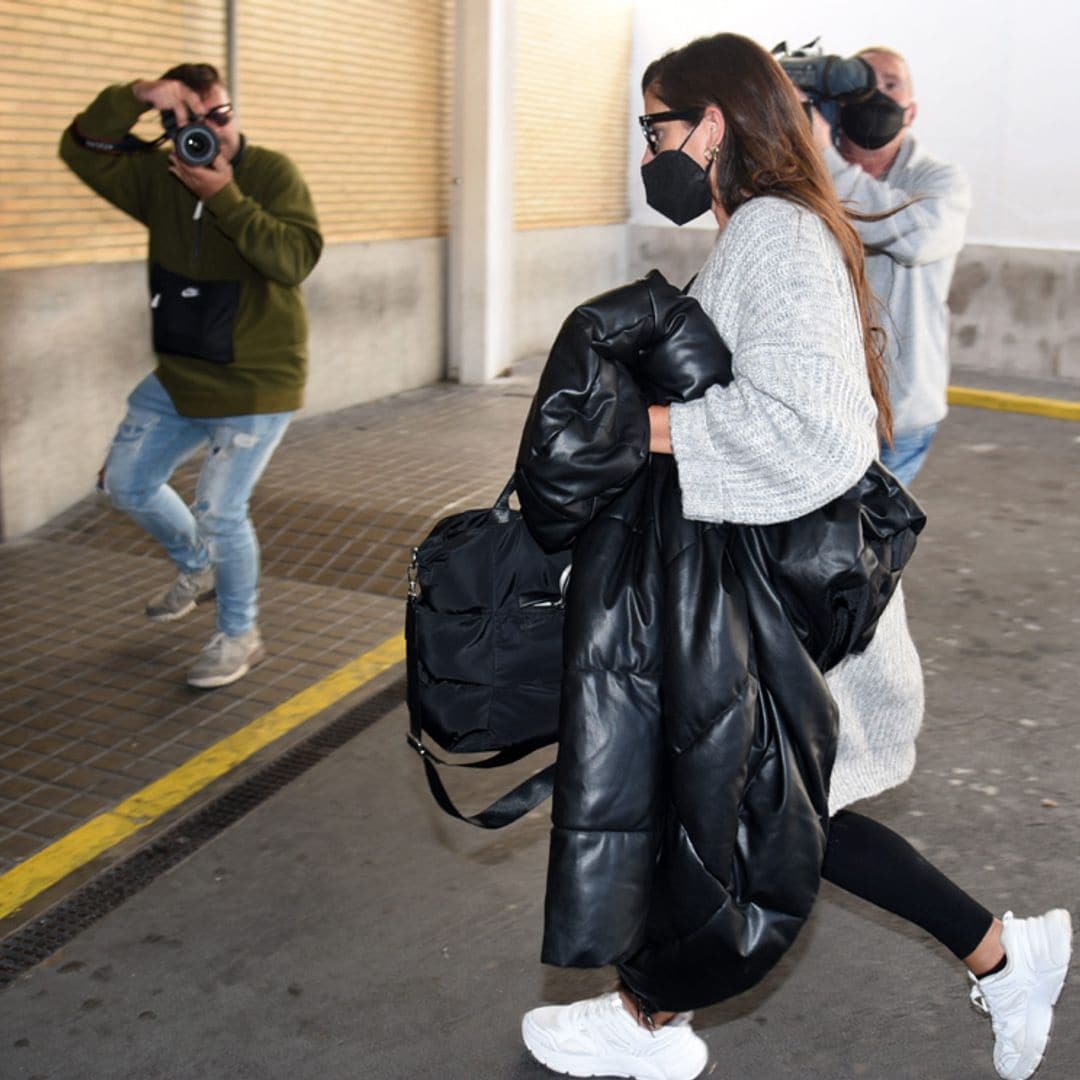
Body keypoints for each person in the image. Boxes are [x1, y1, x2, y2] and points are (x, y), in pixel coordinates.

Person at [515, 34, 1070, 1080]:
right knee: (799, 813)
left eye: (658, 128)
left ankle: (647, 1021)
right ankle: (1005, 957)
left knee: (760, 815)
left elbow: (819, 434)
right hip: (773, 597)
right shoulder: (766, 231)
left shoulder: (774, 233)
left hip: (786, 606)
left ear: (712, 125)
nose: (650, 152)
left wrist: (642, 427)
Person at [60, 63, 322, 689]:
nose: (208, 134)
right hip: (180, 374)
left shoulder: (272, 173)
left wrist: (223, 196)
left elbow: (293, 259)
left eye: (220, 117)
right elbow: (80, 149)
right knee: (125, 482)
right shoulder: (159, 175)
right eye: (185, 121)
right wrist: (136, 96)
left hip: (257, 378)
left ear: (232, 113)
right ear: (166, 125)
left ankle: (239, 635)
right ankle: (196, 565)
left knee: (220, 510)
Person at [809, 45, 971, 485]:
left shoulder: (939, 180)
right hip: (819, 409)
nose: (876, 95)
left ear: (911, 111)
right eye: (861, 83)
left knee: (860, 549)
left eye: (891, 85)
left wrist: (823, 160)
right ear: (836, 105)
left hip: (898, 418)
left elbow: (914, 235)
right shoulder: (801, 176)